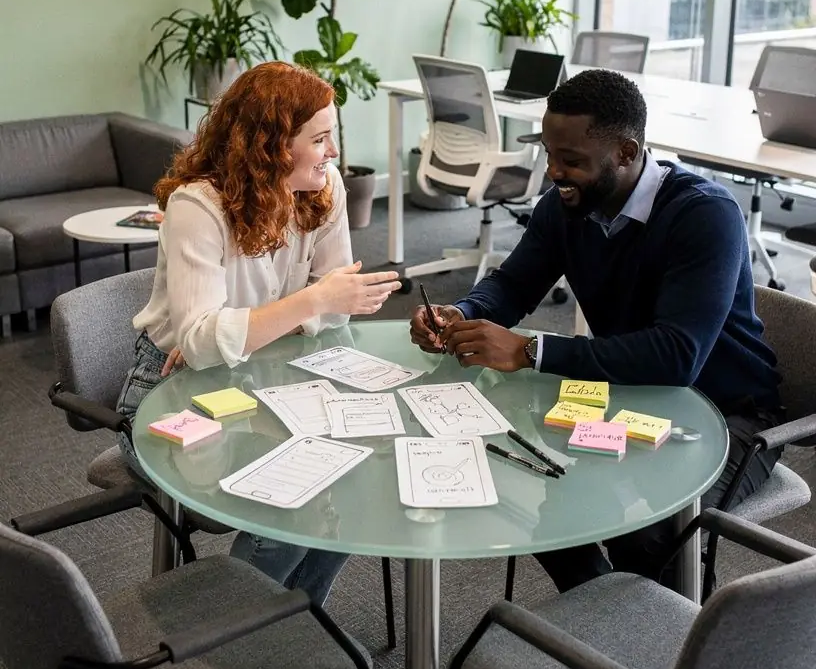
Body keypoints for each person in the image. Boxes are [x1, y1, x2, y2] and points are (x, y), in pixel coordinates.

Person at [409, 67, 782, 591]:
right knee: (559, 514)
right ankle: (604, 624)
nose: (553, 172)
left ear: (627, 153)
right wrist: (464, 313)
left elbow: (677, 357)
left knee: (647, 538)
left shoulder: (704, 215)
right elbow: (514, 286)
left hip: (728, 414)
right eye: (550, 154)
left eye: (572, 161)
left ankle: (667, 646)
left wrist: (531, 349)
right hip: (628, 396)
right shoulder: (564, 207)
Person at [118, 60, 401, 605]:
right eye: (319, 140)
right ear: (270, 146)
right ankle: (232, 634)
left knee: (356, 474)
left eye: (331, 137)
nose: (334, 154)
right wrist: (310, 302)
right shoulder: (197, 206)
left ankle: (291, 630)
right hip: (163, 396)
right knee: (291, 493)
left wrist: (272, 321)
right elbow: (200, 344)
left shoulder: (324, 187)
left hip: (268, 374)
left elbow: (335, 311)